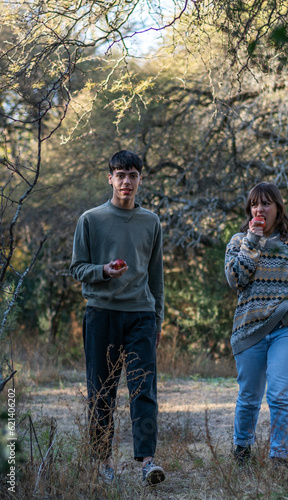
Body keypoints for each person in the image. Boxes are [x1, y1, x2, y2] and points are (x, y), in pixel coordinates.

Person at [70, 150, 166, 486]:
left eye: (133, 175)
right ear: (109, 178)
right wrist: (103, 271)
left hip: (141, 315)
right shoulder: (91, 219)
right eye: (120, 174)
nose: (126, 181)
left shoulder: (151, 221)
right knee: (101, 391)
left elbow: (157, 277)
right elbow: (77, 268)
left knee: (144, 389)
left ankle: (148, 462)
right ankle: (103, 462)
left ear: (141, 179)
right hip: (101, 314)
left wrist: (158, 318)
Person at [225, 182, 288, 467]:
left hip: (287, 329)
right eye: (254, 204)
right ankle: (241, 450)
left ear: (278, 208)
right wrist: (252, 243)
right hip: (248, 329)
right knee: (249, 397)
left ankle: (280, 458)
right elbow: (235, 280)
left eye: (266, 203)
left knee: (280, 393)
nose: (259, 209)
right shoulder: (238, 241)